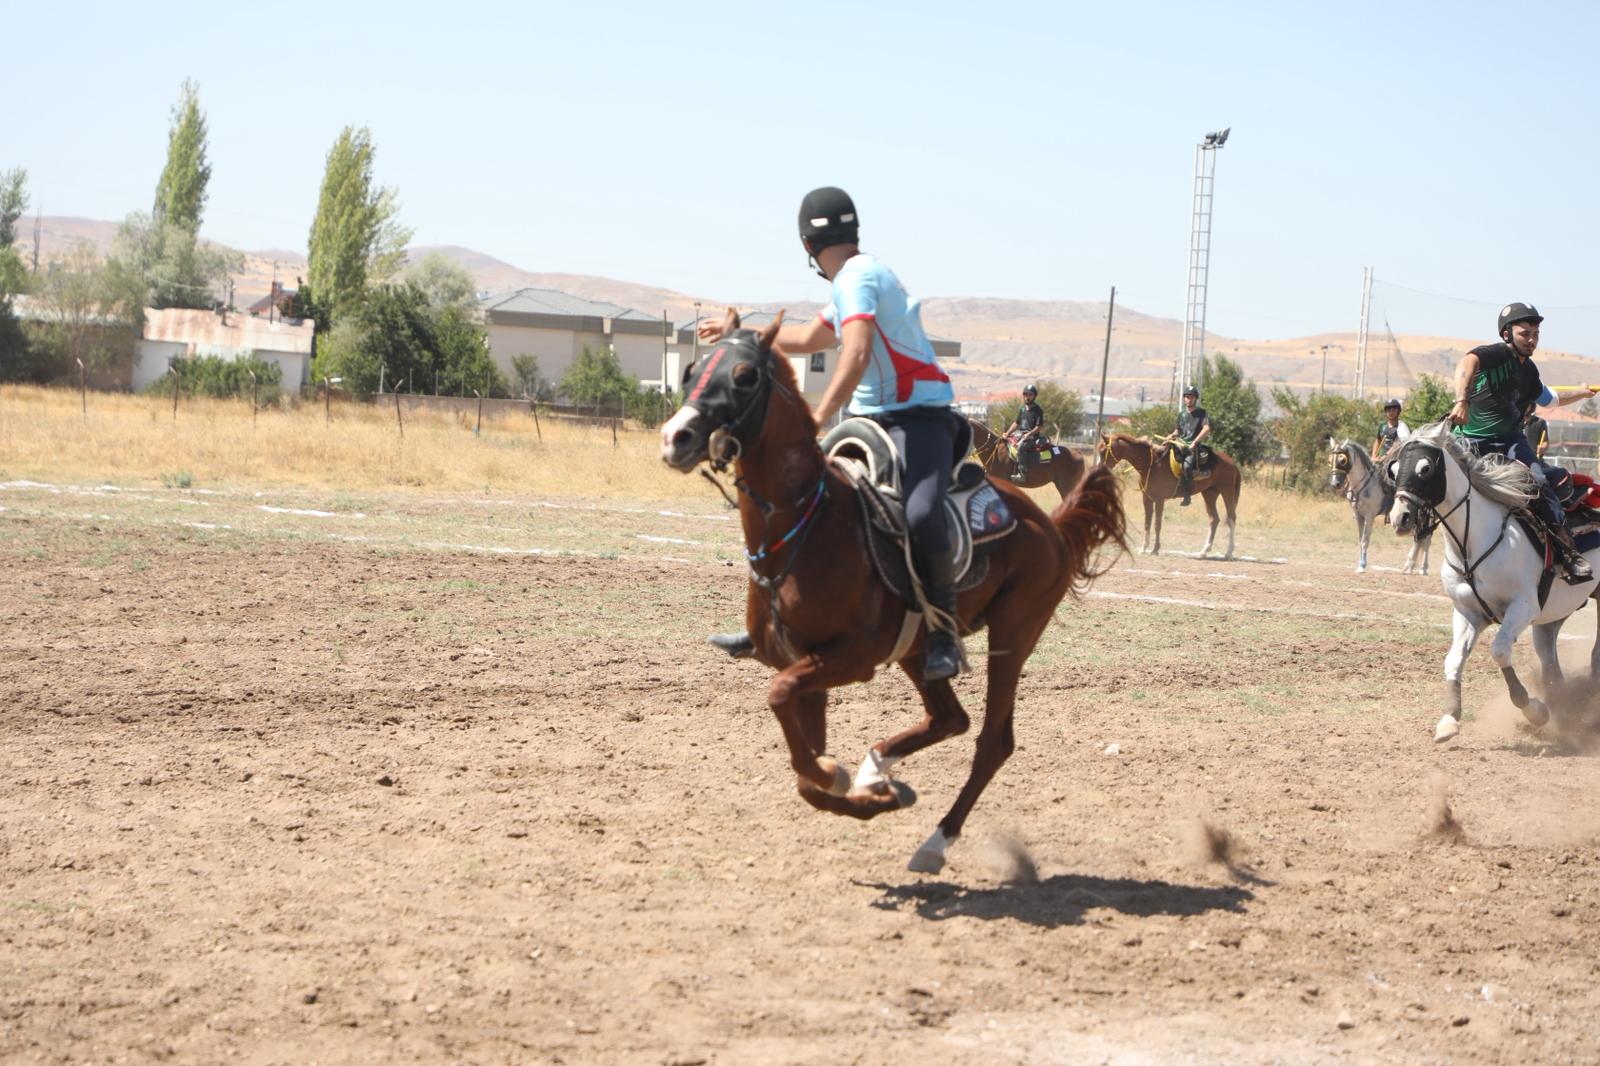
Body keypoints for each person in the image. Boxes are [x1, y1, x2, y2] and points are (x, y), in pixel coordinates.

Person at [702, 187, 966, 681]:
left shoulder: (856, 280)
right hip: (871, 421)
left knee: (922, 512)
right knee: (799, 499)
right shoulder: (853, 282)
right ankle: (767, 628)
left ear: (807, 245)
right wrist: (744, 330)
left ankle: (943, 635)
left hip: (920, 419)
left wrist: (817, 418)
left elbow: (857, 352)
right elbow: (804, 338)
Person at [1449, 302, 1596, 582]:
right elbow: (1467, 362)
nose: (1532, 340)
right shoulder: (1495, 354)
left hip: (1510, 441)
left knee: (1540, 481)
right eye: (1525, 333)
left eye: (1536, 334)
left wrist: (1581, 393)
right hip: (1470, 441)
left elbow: (1549, 399)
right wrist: (1461, 401)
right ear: (1506, 334)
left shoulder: (1529, 371)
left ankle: (1568, 554)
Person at [1003, 384, 1047, 482]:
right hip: (1020, 435)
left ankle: (1022, 473)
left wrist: (1029, 434)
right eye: (1025, 394)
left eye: (1030, 395)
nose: (1027, 397)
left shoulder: (1038, 410)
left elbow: (1039, 426)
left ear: (1034, 396)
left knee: (1021, 448)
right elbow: (1016, 423)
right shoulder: (1022, 409)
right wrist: (1007, 433)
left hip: (1031, 438)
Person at [1175, 385, 1210, 506]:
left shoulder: (1202, 413)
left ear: (1196, 399)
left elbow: (1206, 428)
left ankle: (1187, 495)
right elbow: (1178, 431)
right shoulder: (1181, 414)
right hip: (1179, 444)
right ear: (1184, 399)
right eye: (1187, 397)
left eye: (1191, 397)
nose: (1189, 399)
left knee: (1187, 467)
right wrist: (1171, 436)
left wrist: (1195, 442)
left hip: (1192, 447)